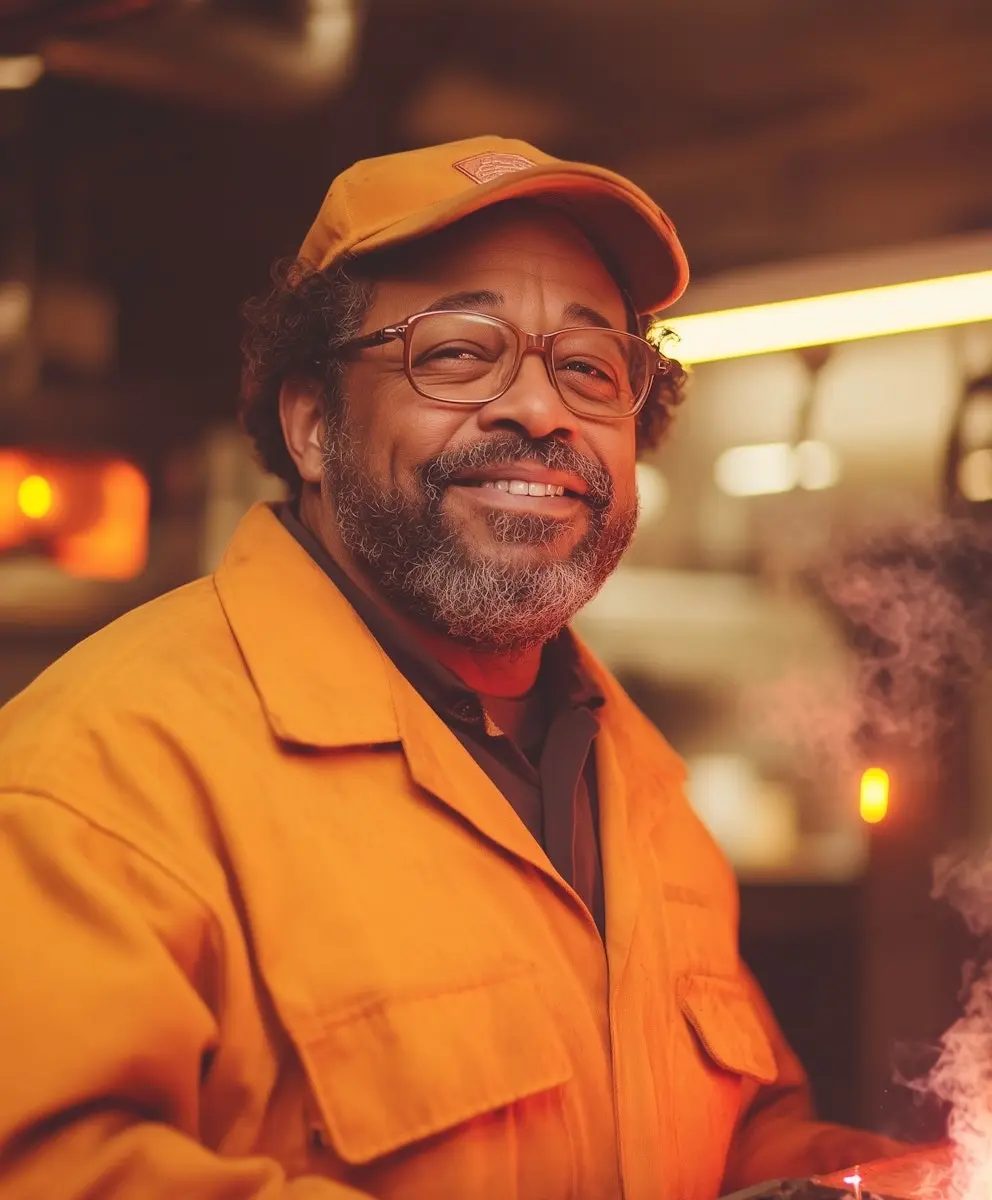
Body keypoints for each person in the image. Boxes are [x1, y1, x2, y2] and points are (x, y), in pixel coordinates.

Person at [0, 135, 903, 1200]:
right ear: (311, 427)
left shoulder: (647, 799)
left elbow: (726, 1131)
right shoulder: (98, 779)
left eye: (587, 368)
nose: (541, 410)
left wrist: (858, 1180)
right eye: (459, 353)